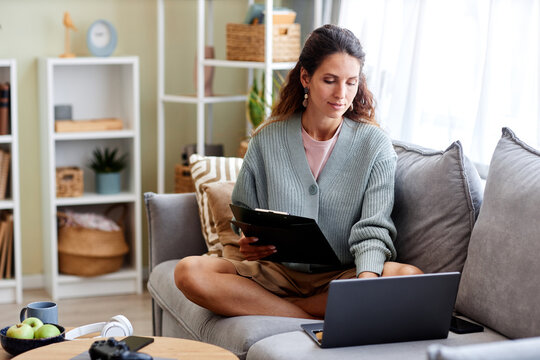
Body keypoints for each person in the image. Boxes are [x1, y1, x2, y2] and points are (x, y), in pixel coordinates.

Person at [174, 24, 422, 319]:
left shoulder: (375, 144)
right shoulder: (267, 138)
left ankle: (275, 311)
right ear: (306, 77)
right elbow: (243, 215)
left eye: (351, 82)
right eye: (330, 80)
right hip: (274, 276)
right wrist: (248, 243)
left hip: (341, 277)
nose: (342, 94)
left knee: (412, 278)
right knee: (188, 271)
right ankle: (308, 315)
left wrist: (365, 285)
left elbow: (374, 228)